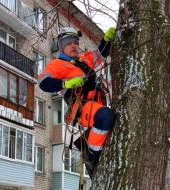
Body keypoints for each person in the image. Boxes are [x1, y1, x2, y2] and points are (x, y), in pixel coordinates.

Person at [38, 27, 116, 178]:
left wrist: (107, 40)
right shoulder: (57, 64)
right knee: (106, 116)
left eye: (75, 42)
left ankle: (92, 144)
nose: (73, 45)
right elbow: (43, 82)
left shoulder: (84, 60)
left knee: (109, 117)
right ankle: (91, 154)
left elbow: (101, 53)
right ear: (61, 46)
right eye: (69, 43)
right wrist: (65, 84)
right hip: (82, 106)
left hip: (97, 105)